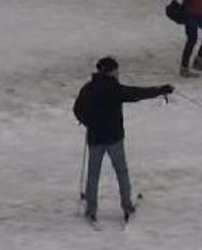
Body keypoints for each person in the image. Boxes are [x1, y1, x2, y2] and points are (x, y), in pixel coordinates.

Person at [73, 57, 174, 221]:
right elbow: (137, 93)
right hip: (115, 138)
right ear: (111, 71)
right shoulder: (115, 89)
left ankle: (91, 209)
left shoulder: (88, 88)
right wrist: (161, 90)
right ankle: (126, 205)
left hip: (95, 138)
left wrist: (88, 122)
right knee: (121, 172)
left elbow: (77, 109)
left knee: (93, 175)